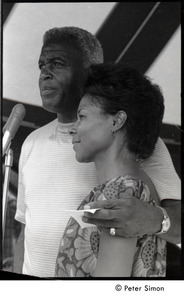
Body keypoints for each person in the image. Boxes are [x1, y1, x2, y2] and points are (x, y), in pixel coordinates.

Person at [13, 27, 181, 278]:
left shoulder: (138, 144)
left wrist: (156, 219)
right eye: (41, 66)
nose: (44, 74)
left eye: (56, 63)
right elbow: (26, 230)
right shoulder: (31, 143)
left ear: (88, 71)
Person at [55, 63, 166, 277]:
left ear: (117, 121)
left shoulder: (122, 189)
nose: (73, 128)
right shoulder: (129, 186)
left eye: (82, 116)